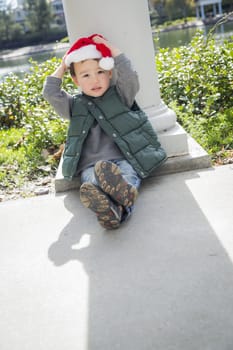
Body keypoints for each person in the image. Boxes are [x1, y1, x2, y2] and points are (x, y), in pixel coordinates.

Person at [43, 34, 167, 230]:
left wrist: (110, 47)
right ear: (75, 80)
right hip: (91, 166)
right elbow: (51, 93)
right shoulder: (74, 106)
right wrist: (64, 66)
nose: (95, 79)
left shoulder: (120, 95)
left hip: (123, 160)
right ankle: (112, 207)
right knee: (92, 183)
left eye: (100, 72)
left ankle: (115, 204)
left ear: (110, 73)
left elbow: (129, 75)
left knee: (127, 177)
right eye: (86, 75)